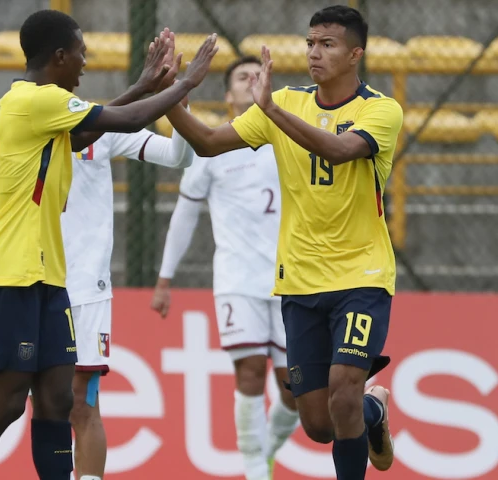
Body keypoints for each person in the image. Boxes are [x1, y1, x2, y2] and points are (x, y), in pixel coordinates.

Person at [0, 8, 218, 480]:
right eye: (82, 54)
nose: (86, 64)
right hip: (11, 273)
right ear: (59, 56)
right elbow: (122, 119)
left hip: (52, 279)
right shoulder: (32, 102)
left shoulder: (49, 112)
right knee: (6, 405)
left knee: (57, 400)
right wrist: (184, 83)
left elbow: (97, 128)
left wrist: (152, 86)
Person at [163, 6, 403, 480]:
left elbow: (339, 150)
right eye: (311, 43)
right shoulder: (288, 101)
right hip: (299, 280)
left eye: (328, 44)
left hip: (363, 275)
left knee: (343, 390)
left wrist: (270, 110)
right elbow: (209, 142)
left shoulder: (380, 109)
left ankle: (360, 406)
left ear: (356, 53)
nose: (315, 52)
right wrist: (172, 92)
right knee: (318, 422)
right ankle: (374, 412)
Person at [150, 56, 299, 480]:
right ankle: (255, 468)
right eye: (241, 76)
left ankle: (266, 449)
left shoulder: (289, 135)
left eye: (258, 74)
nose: (251, 79)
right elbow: (185, 214)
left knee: (296, 387)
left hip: (293, 280)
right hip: (238, 279)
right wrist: (164, 278)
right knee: (250, 372)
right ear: (228, 95)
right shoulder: (211, 146)